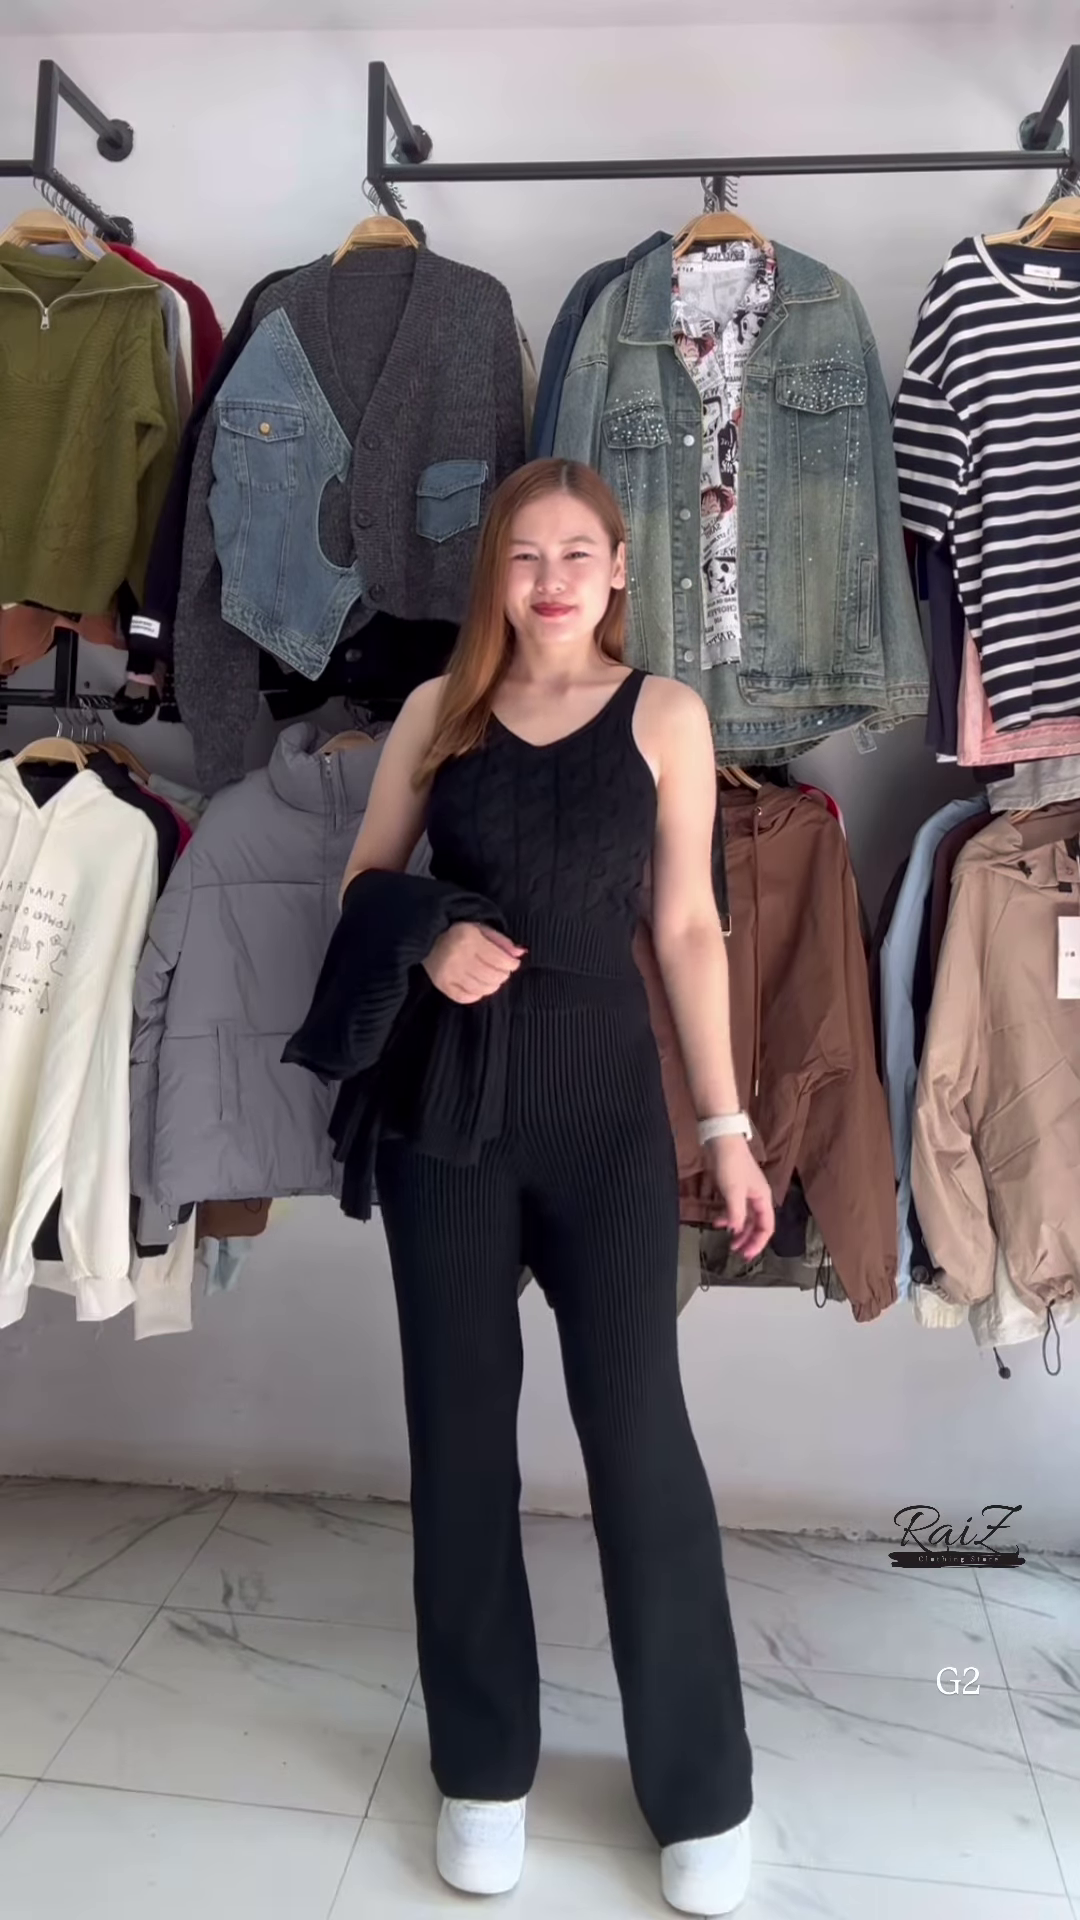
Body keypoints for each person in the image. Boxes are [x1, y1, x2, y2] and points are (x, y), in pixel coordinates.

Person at [340, 457, 773, 1916]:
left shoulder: (666, 716)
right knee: (461, 1441)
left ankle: (700, 1793)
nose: (551, 579)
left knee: (640, 1440)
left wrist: (726, 1127)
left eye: (578, 552)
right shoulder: (436, 713)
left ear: (619, 569)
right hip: (447, 1115)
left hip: (601, 1112)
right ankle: (482, 1771)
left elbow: (690, 929)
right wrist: (432, 935)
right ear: (496, 574)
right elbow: (362, 886)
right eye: (525, 555)